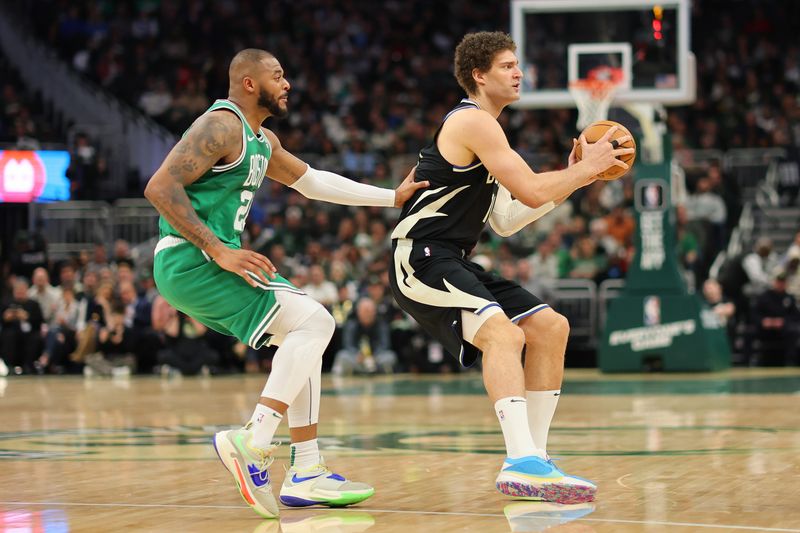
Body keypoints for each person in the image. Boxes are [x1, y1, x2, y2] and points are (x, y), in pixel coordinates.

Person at [143, 48, 427, 519]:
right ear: (250, 83)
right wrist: (218, 249)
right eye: (278, 75)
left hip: (210, 262)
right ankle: (252, 440)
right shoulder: (221, 125)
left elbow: (311, 182)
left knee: (306, 336)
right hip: (191, 261)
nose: (287, 83)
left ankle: (307, 470)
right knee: (315, 322)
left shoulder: (261, 138)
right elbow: (159, 187)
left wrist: (391, 197)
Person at [389, 32, 631, 504]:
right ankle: (521, 459)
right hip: (419, 255)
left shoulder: (488, 132)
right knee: (505, 334)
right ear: (479, 76)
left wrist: (572, 177)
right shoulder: (474, 122)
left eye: (518, 65)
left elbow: (507, 219)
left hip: (452, 258)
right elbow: (534, 192)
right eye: (506, 66)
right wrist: (589, 167)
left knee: (550, 327)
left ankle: (533, 459)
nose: (518, 73)